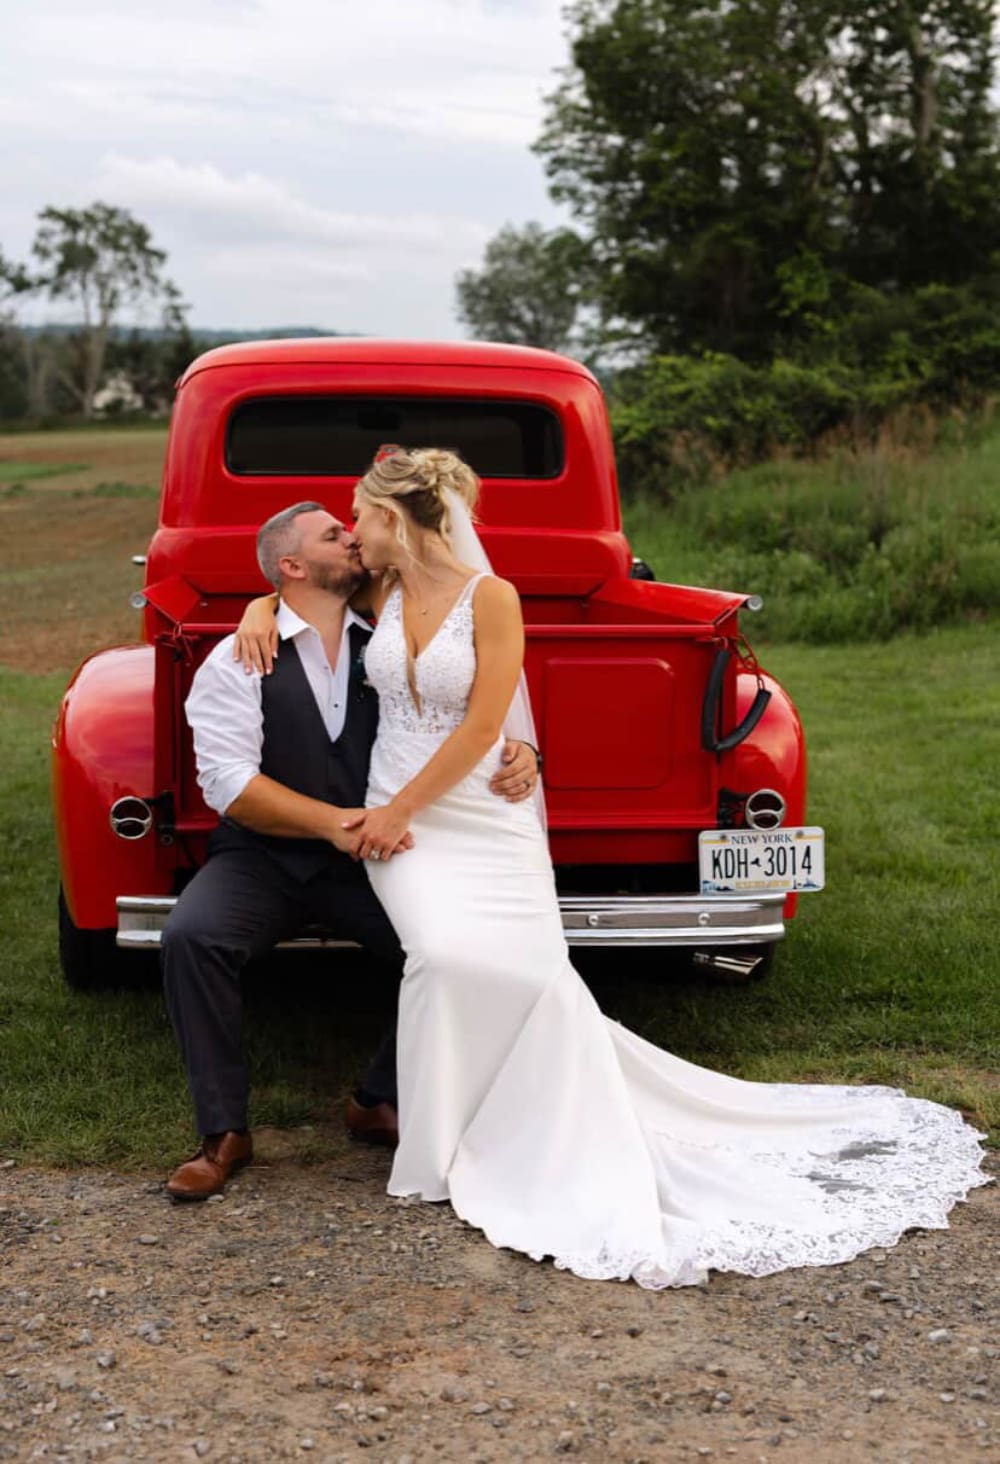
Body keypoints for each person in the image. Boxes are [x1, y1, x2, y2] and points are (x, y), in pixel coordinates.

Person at [236, 449, 987, 1288]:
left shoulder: (494, 598)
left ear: (398, 519)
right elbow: (304, 587)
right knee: (445, 957)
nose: (353, 534)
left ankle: (526, 1124)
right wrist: (261, 608)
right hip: (408, 826)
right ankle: (434, 1142)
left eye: (361, 518)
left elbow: (487, 724)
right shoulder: (379, 587)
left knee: (532, 971)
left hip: (482, 814)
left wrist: (417, 803)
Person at [162, 500, 540, 1201]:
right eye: (336, 534)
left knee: (443, 948)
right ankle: (223, 1134)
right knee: (192, 935)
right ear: (294, 567)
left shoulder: (392, 638)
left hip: (373, 854)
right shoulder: (240, 654)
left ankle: (376, 1097)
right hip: (262, 857)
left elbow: (462, 711)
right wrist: (332, 823)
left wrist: (522, 749)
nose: (354, 537)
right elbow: (228, 784)